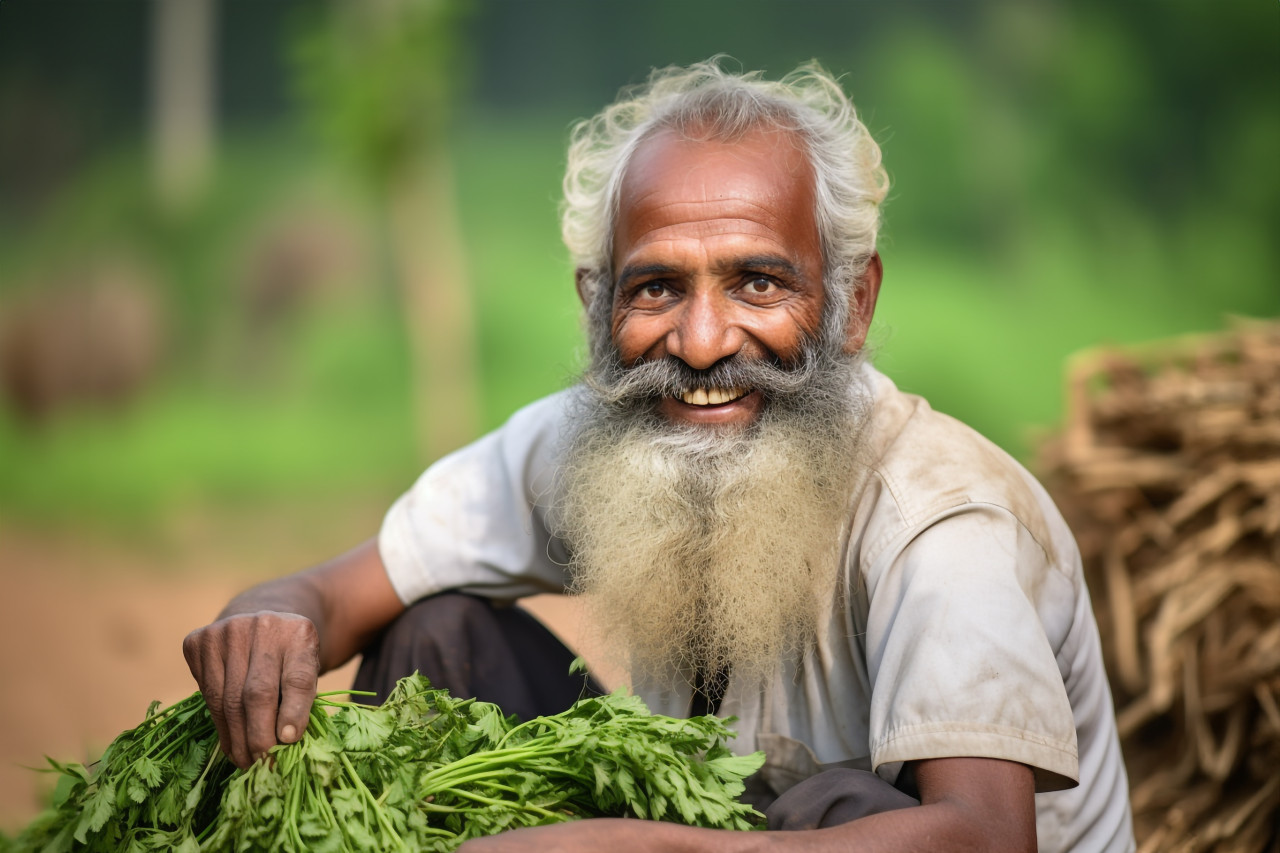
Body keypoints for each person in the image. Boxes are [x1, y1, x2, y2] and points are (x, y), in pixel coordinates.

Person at [183, 59, 1135, 851]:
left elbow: (982, 837)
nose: (704, 340)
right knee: (436, 640)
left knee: (825, 813)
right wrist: (268, 616)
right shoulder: (614, 435)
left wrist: (617, 845)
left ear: (853, 304)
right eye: (657, 290)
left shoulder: (938, 519)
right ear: (599, 305)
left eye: (758, 282)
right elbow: (335, 596)